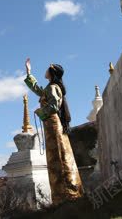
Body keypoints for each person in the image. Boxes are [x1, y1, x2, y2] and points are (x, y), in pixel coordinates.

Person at [24, 58, 84, 204]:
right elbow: (39, 91)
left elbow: (54, 106)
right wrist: (29, 73)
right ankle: (64, 195)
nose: (44, 71)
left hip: (53, 124)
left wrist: (41, 111)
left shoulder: (52, 87)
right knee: (57, 155)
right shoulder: (51, 87)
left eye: (47, 69)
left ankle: (67, 195)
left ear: (52, 72)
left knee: (58, 156)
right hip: (50, 125)